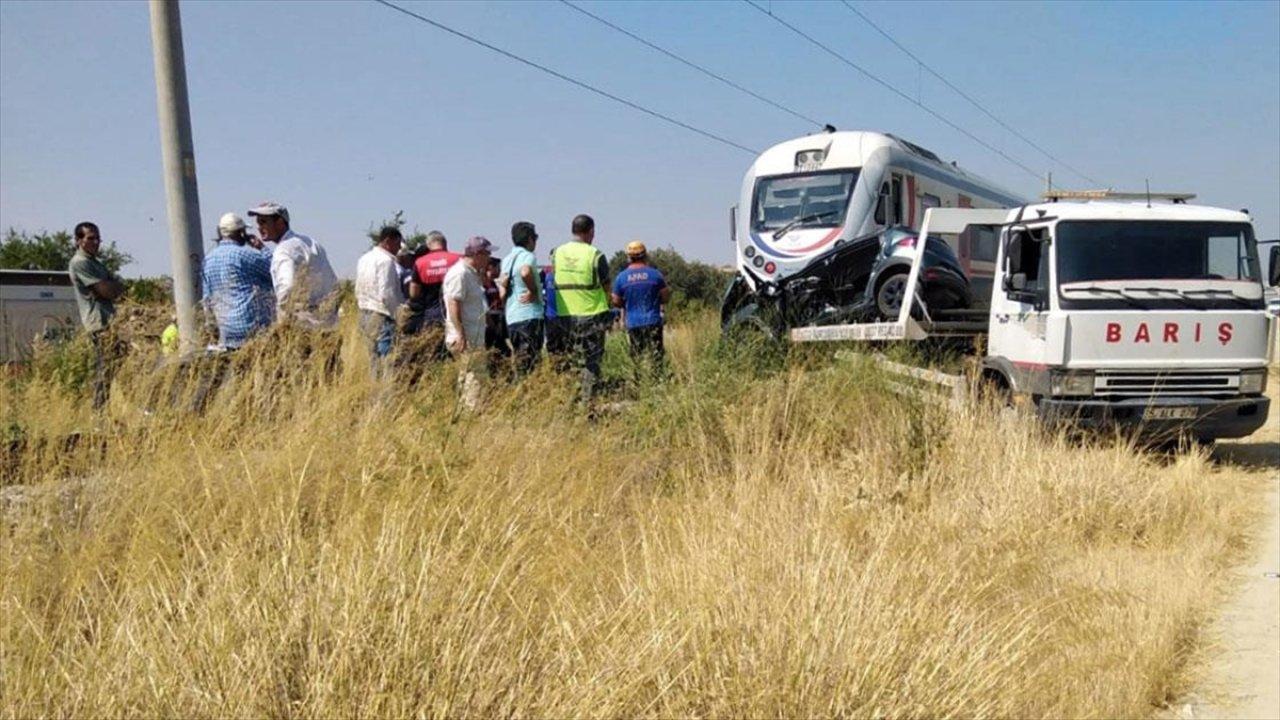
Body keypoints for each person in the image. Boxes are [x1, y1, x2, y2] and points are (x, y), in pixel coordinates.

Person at [248, 202, 338, 328]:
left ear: (280, 222)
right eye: (258, 223)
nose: (259, 228)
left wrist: (283, 320)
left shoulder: (283, 250)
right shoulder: (310, 243)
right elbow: (332, 282)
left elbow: (287, 288)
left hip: (302, 324)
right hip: (328, 321)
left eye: (263, 222)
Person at [551, 214, 611, 402]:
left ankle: (568, 400)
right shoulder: (595, 255)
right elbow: (606, 285)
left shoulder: (557, 253)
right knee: (592, 361)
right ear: (591, 231)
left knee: (569, 359)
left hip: (564, 315)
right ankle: (587, 403)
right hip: (592, 314)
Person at [67, 221, 125, 408]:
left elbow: (117, 287)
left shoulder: (96, 263)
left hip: (109, 320)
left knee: (114, 365)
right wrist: (111, 287)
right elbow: (107, 290)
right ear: (78, 240)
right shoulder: (80, 263)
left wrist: (112, 287)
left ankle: (104, 409)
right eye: (91, 238)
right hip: (98, 322)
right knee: (106, 367)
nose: (96, 242)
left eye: (98, 239)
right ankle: (99, 411)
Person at [200, 212, 275, 350]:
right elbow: (275, 271)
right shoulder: (245, 255)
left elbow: (207, 300)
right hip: (251, 329)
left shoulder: (207, 261)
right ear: (241, 233)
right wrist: (262, 248)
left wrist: (213, 330)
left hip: (226, 332)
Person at [444, 236, 495, 409]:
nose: (489, 258)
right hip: (467, 338)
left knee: (469, 378)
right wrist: (460, 334)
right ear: (478, 254)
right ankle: (472, 414)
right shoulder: (460, 274)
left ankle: (466, 412)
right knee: (474, 380)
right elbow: (453, 303)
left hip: (473, 336)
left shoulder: (471, 273)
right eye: (487, 254)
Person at [611, 241, 670, 372]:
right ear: (645, 255)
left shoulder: (621, 277)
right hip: (653, 321)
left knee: (636, 358)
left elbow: (615, 300)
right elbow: (666, 297)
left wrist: (626, 304)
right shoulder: (656, 274)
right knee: (657, 357)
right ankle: (657, 379)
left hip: (634, 323)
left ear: (628, 257)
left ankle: (637, 380)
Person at [356, 226, 405, 374]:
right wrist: (397, 315)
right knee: (387, 359)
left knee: (373, 358)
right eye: (397, 244)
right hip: (381, 314)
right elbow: (386, 293)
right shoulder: (386, 261)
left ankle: (374, 387)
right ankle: (386, 388)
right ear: (388, 241)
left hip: (364, 312)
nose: (399, 248)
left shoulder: (364, 259)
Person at [498, 221, 544, 377]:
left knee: (520, 359)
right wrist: (533, 291)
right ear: (530, 239)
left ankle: (522, 386)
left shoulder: (507, 259)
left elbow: (502, 286)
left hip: (512, 317)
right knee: (532, 362)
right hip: (529, 315)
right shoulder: (527, 256)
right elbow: (525, 272)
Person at [413, 231, 460, 331]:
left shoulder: (420, 263)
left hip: (432, 317)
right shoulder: (459, 259)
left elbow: (414, 293)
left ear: (428, 245)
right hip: (457, 315)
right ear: (445, 244)